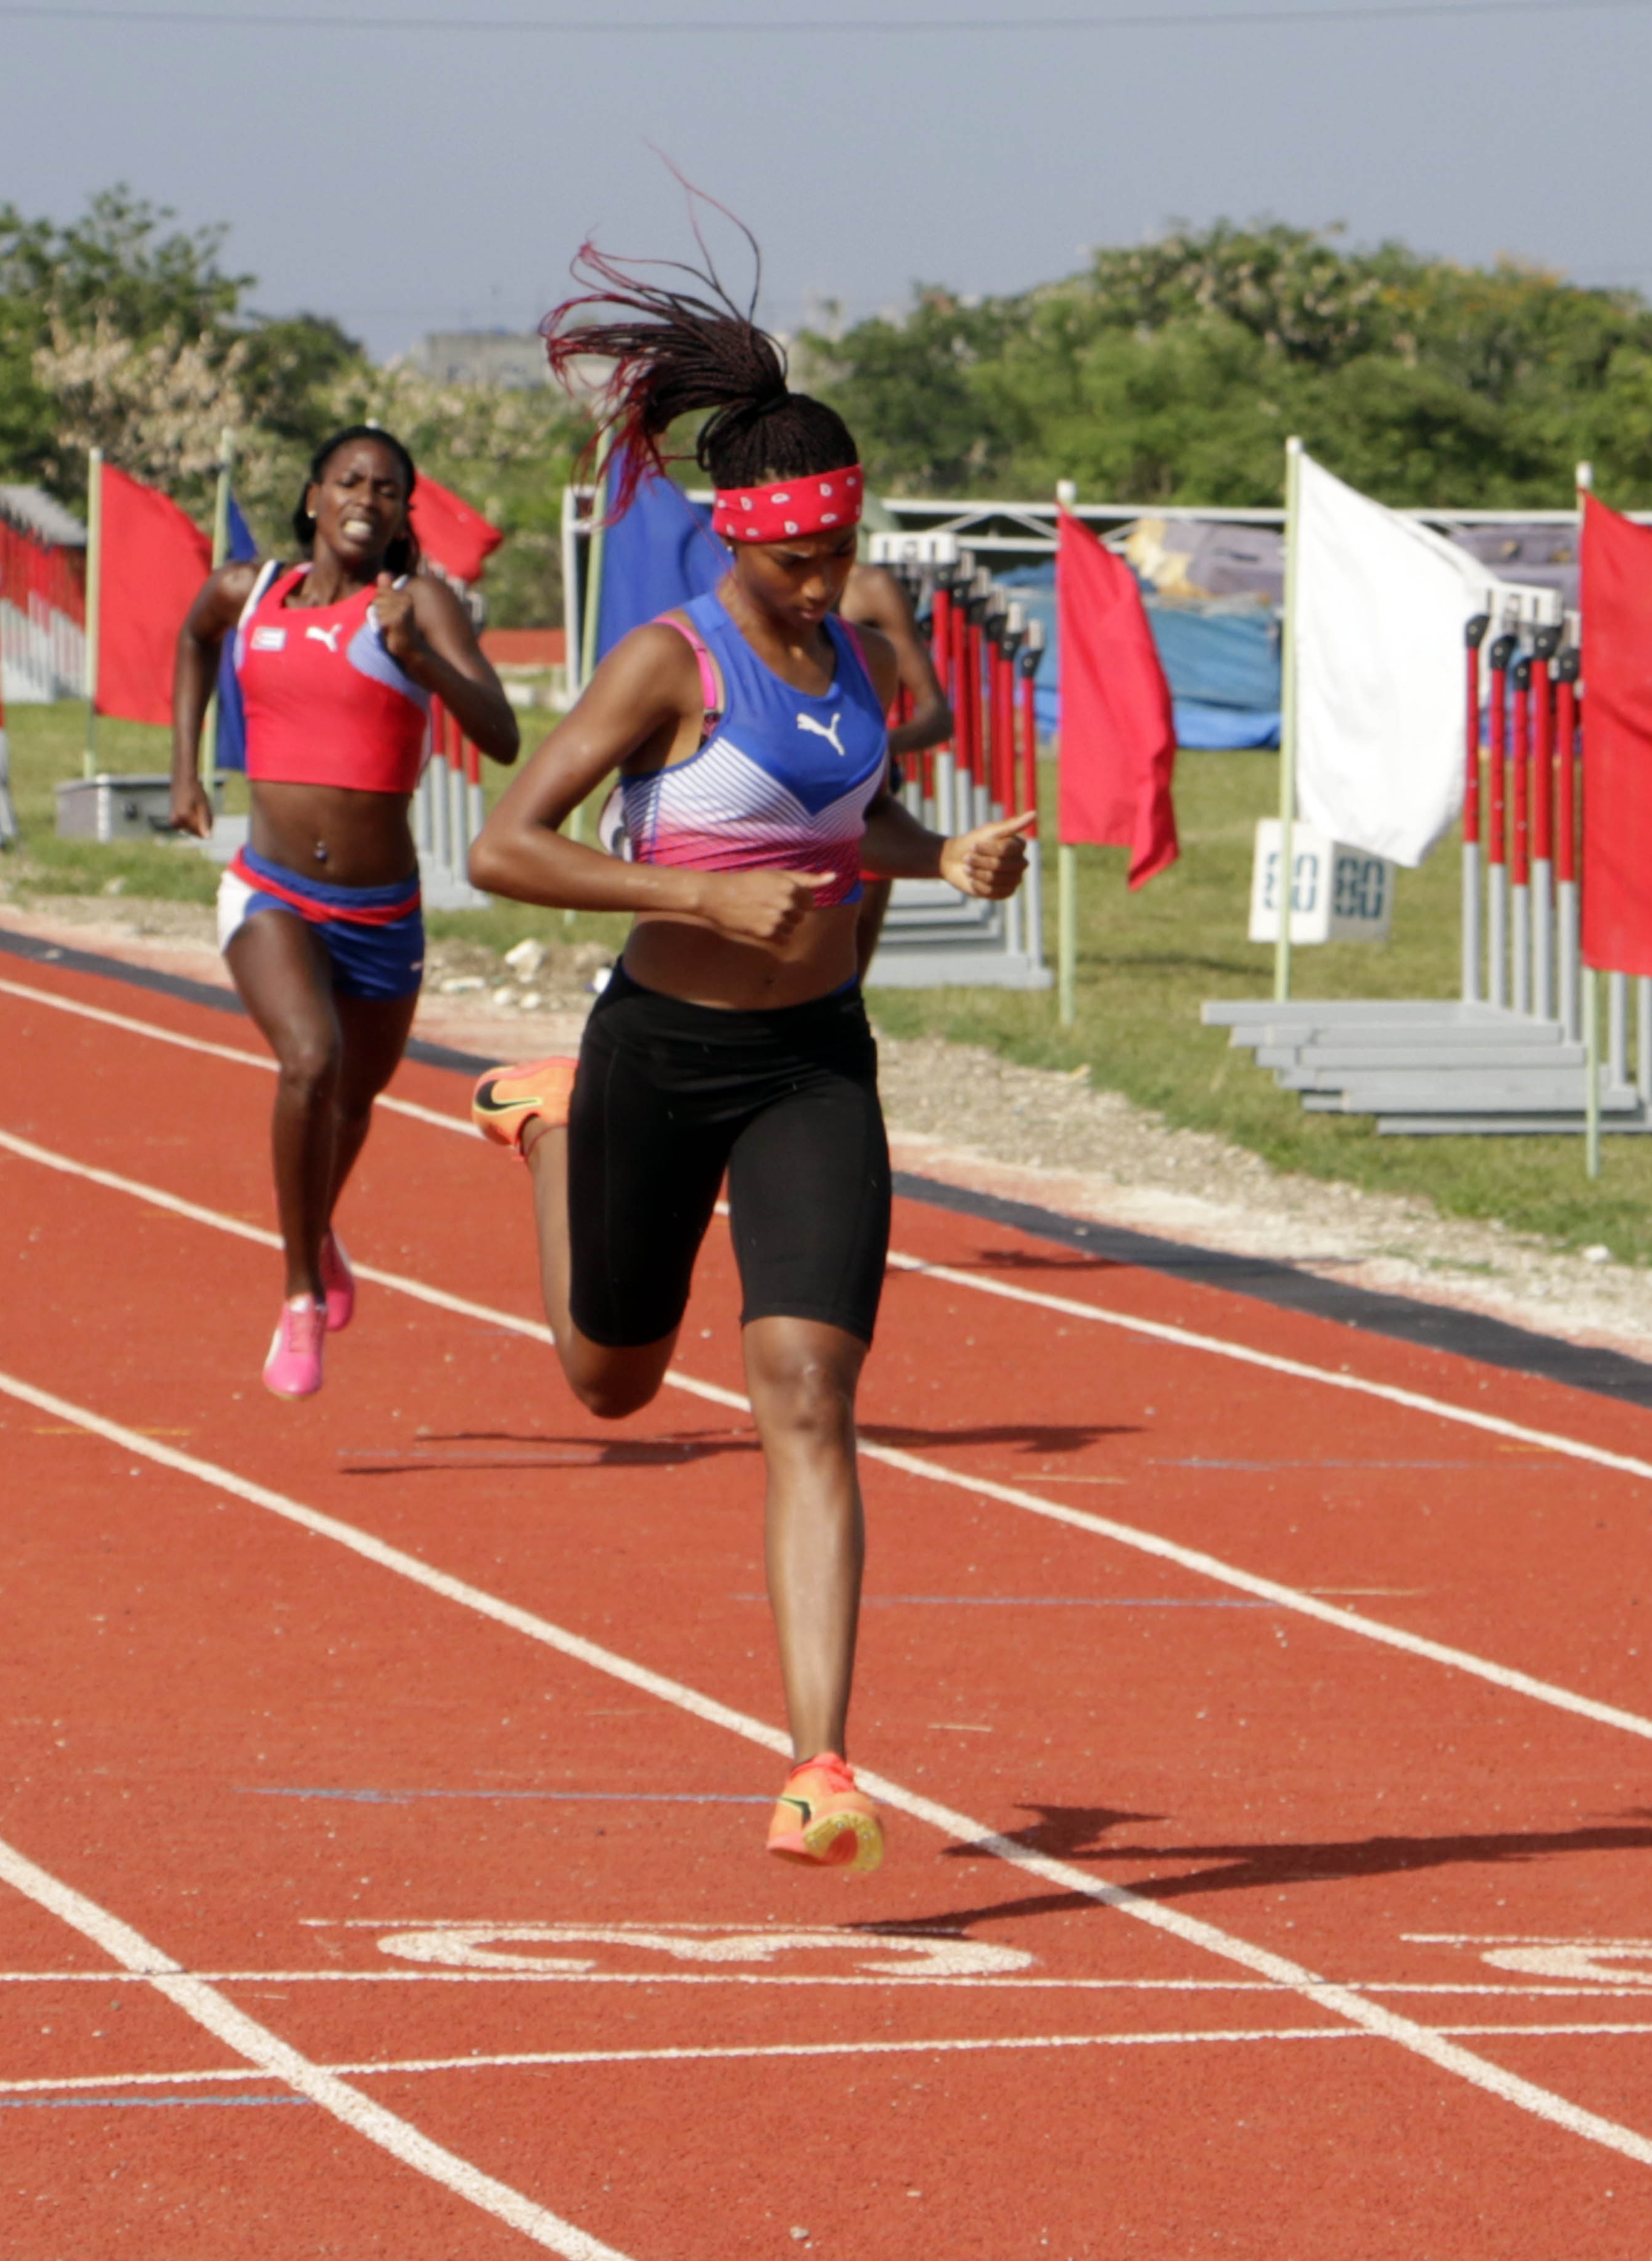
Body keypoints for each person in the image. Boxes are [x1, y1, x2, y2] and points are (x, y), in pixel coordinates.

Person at [465, 245, 1030, 1875]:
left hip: (811, 1062)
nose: (824, 578)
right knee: (612, 1384)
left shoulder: (849, 650)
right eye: (799, 559)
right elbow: (506, 849)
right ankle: (551, 1136)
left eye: (843, 549)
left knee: (809, 1384)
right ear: (738, 541)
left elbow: (849, 826)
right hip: (657, 1050)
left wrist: (941, 863)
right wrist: (685, 888)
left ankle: (821, 1767)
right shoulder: (670, 661)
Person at [167, 428, 520, 1398]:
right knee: (309, 1062)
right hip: (272, 888)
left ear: (406, 511)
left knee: (354, 1103)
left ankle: (314, 1229)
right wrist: (184, 770)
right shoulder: (251, 593)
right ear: (314, 495)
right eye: (351, 480)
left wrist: (421, 656)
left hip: (382, 909)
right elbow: (194, 639)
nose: (369, 496)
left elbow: (500, 733)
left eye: (390, 487)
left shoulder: (418, 605)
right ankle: (297, 1297)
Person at [835, 558, 954, 976]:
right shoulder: (743, 584)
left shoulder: (870, 588)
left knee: (843, 987)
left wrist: (877, 748)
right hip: (771, 811)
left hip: (862, 810)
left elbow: (937, 715)